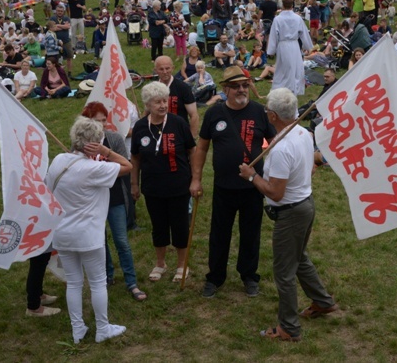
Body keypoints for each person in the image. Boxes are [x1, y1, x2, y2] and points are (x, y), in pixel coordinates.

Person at [238, 88, 337, 342]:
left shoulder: (282, 148)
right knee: (299, 258)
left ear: (272, 116)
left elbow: (276, 192)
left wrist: (252, 176)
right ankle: (323, 301)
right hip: (305, 204)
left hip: (291, 212)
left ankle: (289, 329)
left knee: (284, 271)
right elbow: (312, 168)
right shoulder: (303, 133)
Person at [190, 67, 276, 299]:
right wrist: (196, 179)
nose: (241, 90)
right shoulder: (214, 114)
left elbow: (277, 143)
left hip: (253, 187)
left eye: (245, 85)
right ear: (225, 88)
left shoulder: (259, 112)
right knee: (219, 234)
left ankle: (249, 276)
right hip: (223, 187)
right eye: (236, 86)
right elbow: (202, 148)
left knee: (250, 233)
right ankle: (215, 277)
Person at [45, 116, 130, 343]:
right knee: (97, 282)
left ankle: (77, 329)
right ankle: (102, 329)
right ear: (96, 142)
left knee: (74, 282)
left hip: (62, 233)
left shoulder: (58, 160)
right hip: (88, 235)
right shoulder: (95, 168)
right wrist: (107, 151)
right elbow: (127, 166)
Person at [131, 82, 196, 282]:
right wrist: (134, 184)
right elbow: (135, 157)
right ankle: (160, 263)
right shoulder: (141, 127)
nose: (162, 105)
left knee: (180, 226)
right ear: (148, 105)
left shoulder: (178, 123)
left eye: (164, 100)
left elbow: (191, 151)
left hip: (179, 185)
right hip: (152, 187)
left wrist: (196, 179)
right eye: (157, 102)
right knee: (158, 226)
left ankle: (181, 265)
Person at [81, 103, 146, 301]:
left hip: (115, 197)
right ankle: (107, 276)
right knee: (100, 242)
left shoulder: (114, 139)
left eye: (103, 120)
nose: (101, 124)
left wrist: (104, 160)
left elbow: (125, 166)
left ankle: (131, 282)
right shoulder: (81, 143)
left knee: (121, 241)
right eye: (96, 120)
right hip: (93, 200)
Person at [267, 0, 313, 96]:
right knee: (291, 67)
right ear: (292, 6)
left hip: (284, 45)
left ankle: (291, 87)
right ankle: (288, 87)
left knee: (288, 67)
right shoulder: (297, 18)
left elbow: (274, 35)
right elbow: (304, 33)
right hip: (293, 45)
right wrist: (308, 46)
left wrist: (271, 50)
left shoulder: (278, 19)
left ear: (282, 6)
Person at [154, 56, 199, 138]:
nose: (165, 72)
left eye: (167, 68)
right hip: (157, 133)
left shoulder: (183, 87)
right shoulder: (152, 89)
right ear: (155, 70)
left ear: (173, 68)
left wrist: (192, 139)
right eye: (161, 69)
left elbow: (194, 115)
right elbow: (147, 112)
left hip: (179, 133)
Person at [50, 4, 73, 74]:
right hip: (55, 41)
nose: (59, 12)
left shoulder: (66, 18)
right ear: (56, 11)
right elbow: (52, 28)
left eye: (61, 11)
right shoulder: (52, 18)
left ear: (63, 12)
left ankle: (69, 72)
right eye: (58, 11)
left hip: (66, 40)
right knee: (55, 58)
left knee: (69, 57)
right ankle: (57, 72)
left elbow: (68, 27)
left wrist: (57, 25)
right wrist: (63, 26)